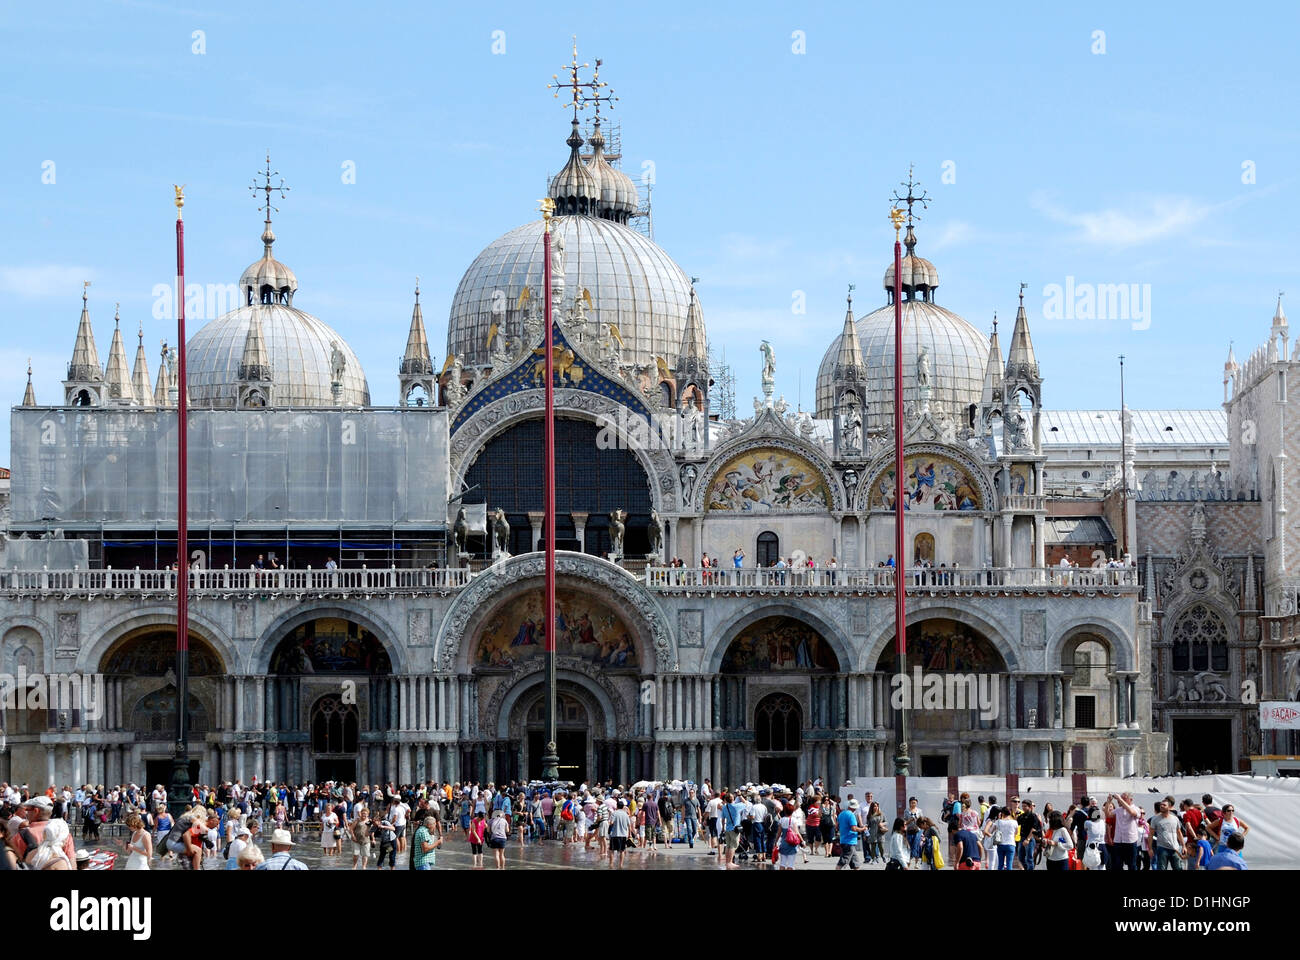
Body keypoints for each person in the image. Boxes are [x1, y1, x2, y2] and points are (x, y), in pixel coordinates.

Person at [835, 798, 864, 870]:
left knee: (856, 863)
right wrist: (862, 829)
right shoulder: (851, 815)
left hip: (843, 840)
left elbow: (837, 826)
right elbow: (854, 828)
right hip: (849, 841)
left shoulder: (841, 813)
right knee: (842, 861)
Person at [775, 802, 802, 870]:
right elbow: (797, 833)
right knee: (790, 864)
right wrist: (802, 841)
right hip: (791, 844)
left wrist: (775, 842)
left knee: (782, 863)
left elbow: (778, 833)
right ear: (792, 811)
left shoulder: (781, 820)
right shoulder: (793, 820)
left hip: (783, 843)